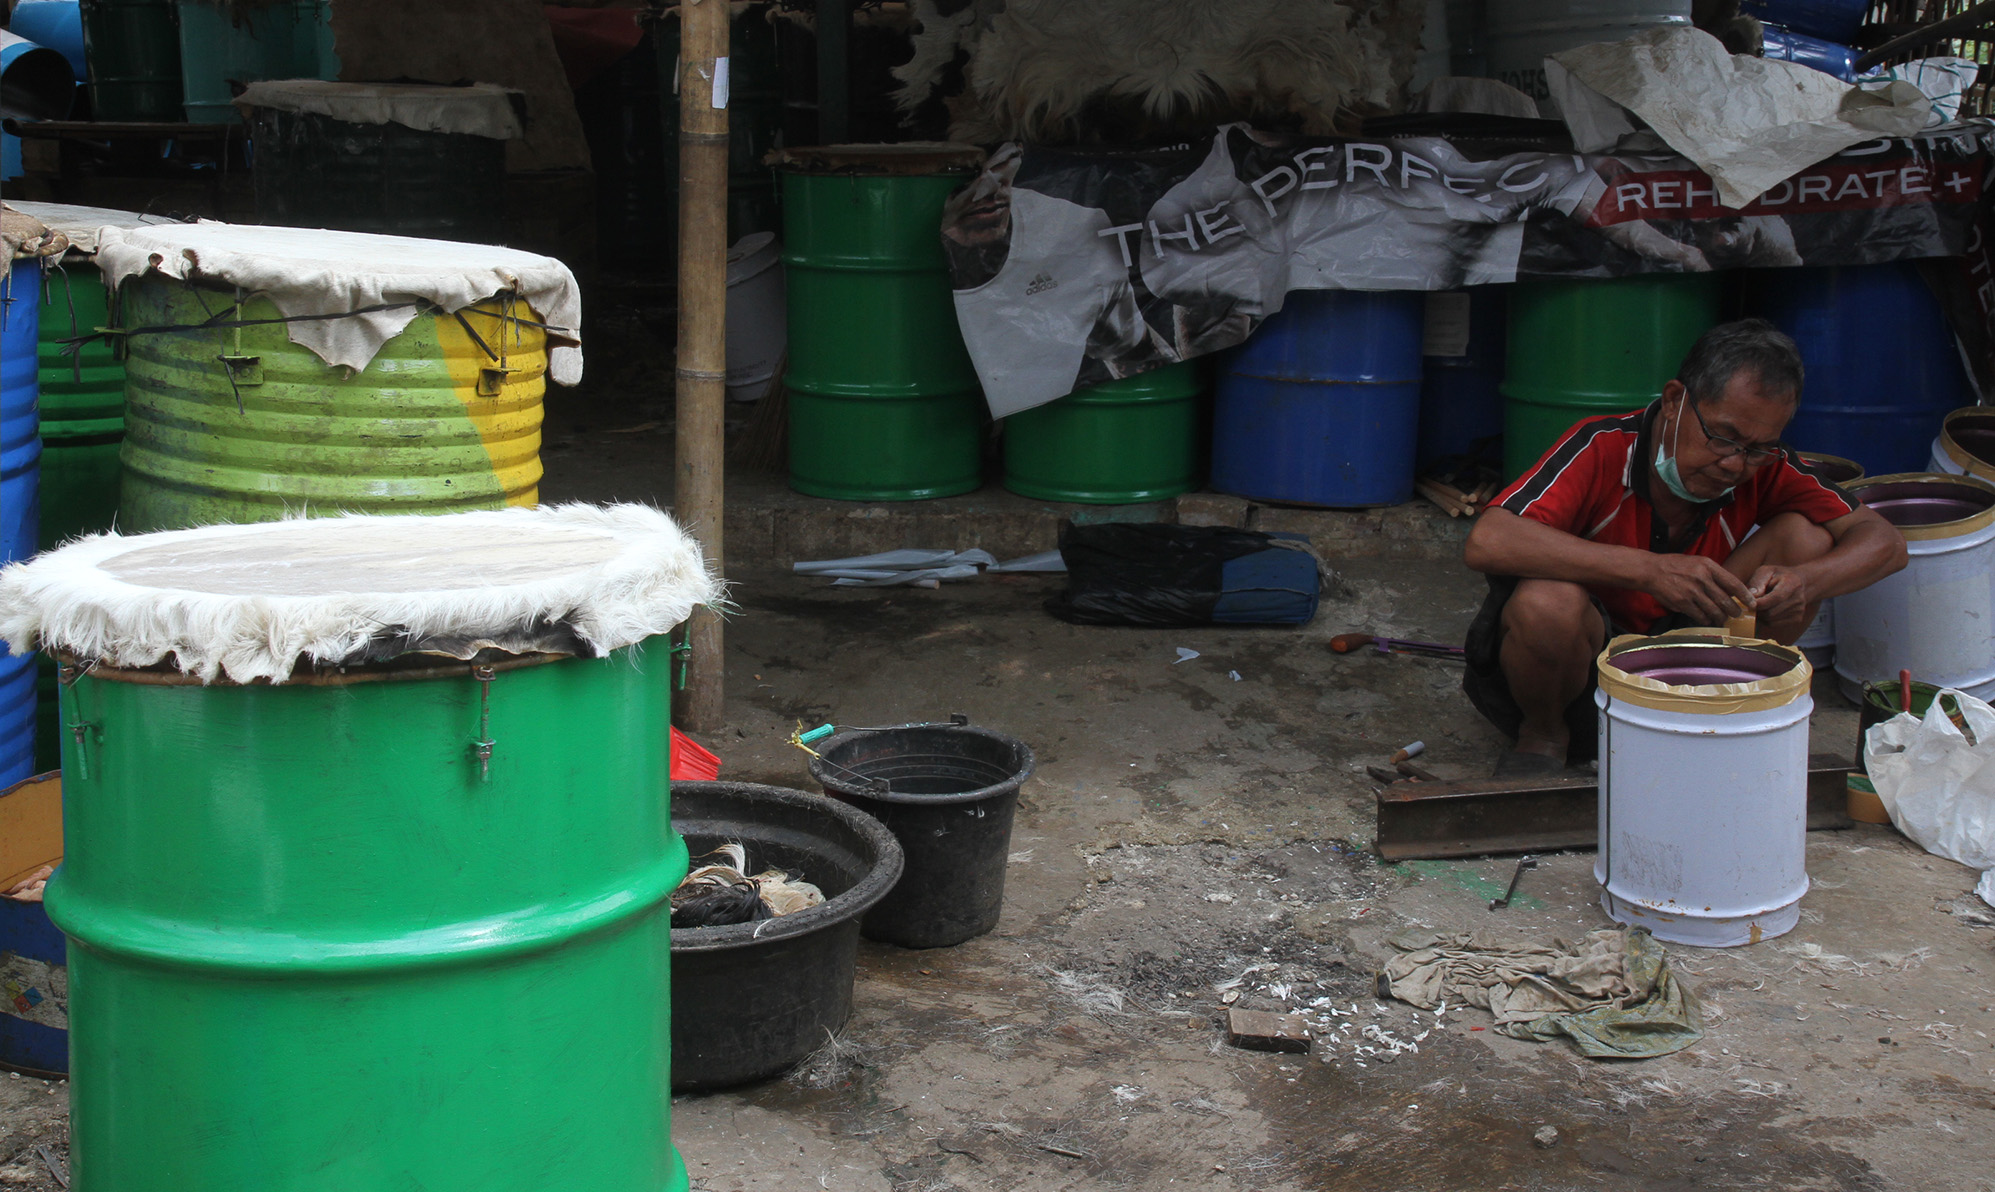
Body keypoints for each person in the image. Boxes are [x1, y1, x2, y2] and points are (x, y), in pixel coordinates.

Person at [1460, 318, 1908, 777]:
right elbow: (1489, 539)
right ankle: (1544, 737)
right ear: (1675, 401)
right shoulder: (1605, 446)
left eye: (1757, 448)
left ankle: (1723, 710)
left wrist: (1806, 582)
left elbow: (1886, 543)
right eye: (1721, 437)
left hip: (1690, 662)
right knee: (1547, 601)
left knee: (1806, 538)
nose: (1734, 463)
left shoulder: (1769, 465)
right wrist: (1649, 570)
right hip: (1580, 674)